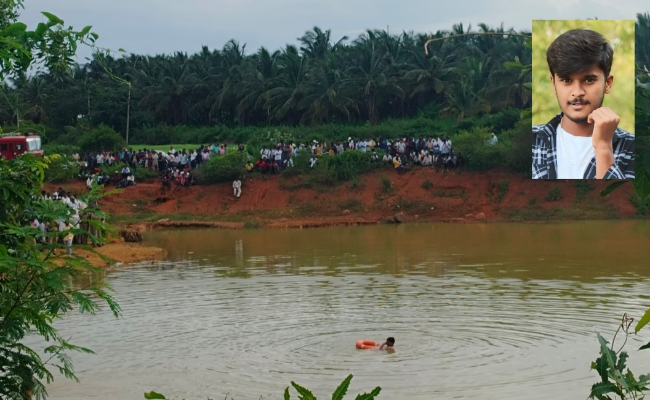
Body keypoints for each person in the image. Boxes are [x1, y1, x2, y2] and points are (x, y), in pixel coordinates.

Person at [532, 28, 634, 179]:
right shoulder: (532, 141)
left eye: (589, 80)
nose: (577, 92)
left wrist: (604, 148)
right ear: (554, 84)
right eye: (566, 80)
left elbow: (619, 201)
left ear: (607, 83)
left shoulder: (633, 148)